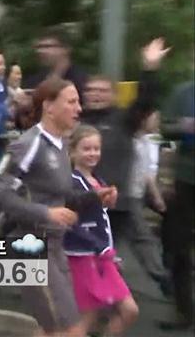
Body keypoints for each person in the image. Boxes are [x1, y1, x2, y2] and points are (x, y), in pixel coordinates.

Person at [0, 76, 110, 337]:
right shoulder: (29, 144)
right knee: (70, 328)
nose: (79, 108)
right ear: (49, 106)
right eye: (72, 102)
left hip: (55, 245)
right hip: (28, 244)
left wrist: (95, 197)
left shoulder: (63, 146)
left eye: (78, 102)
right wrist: (46, 213)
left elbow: (61, 197)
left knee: (52, 328)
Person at [80, 38, 171, 294]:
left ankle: (157, 283)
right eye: (90, 91)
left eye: (101, 90)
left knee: (109, 254)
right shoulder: (76, 118)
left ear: (113, 95)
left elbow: (146, 101)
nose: (95, 95)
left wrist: (150, 69)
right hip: (81, 201)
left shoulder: (124, 119)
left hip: (115, 203)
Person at [63, 125, 138, 336]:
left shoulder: (99, 181)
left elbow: (100, 222)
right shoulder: (72, 182)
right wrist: (100, 248)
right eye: (86, 149)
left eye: (96, 149)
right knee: (87, 319)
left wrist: (108, 251)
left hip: (103, 258)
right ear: (73, 151)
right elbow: (72, 224)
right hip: (83, 258)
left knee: (129, 311)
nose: (93, 153)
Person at [157, 78, 194, 331]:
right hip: (185, 178)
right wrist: (182, 125)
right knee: (178, 246)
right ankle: (183, 312)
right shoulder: (183, 91)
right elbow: (163, 128)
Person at [23, 31, 88, 100]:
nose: (40, 51)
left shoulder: (81, 81)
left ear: (66, 49)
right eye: (39, 47)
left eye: (47, 46)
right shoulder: (34, 81)